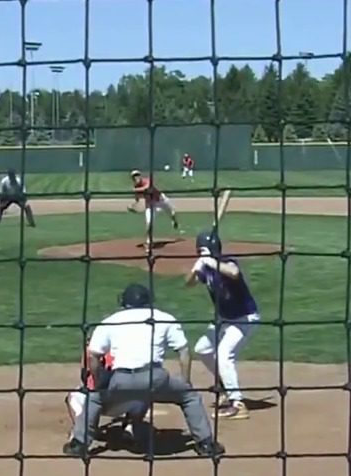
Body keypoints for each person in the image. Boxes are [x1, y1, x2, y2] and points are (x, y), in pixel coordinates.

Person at [63, 283, 224, 459]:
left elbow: (93, 355)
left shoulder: (111, 321)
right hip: (156, 378)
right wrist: (185, 381)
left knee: (94, 399)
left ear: (124, 302)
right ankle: (206, 444)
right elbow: (184, 351)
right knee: (189, 396)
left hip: (121, 379)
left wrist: (99, 381)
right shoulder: (164, 318)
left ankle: (79, 444)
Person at [184, 229, 259, 421]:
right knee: (202, 349)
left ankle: (238, 404)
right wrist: (195, 269)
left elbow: (233, 273)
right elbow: (188, 284)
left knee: (225, 354)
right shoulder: (205, 267)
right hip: (224, 319)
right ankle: (225, 387)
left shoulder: (228, 262)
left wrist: (211, 262)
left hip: (244, 318)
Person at [65, 344, 149, 445]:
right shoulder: (128, 354)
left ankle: (82, 429)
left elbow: (84, 378)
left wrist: (87, 355)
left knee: (73, 396)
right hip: (121, 404)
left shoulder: (92, 354)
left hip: (92, 403)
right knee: (144, 392)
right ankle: (130, 428)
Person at [126, 169, 180, 255]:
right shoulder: (136, 188)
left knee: (172, 213)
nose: (136, 178)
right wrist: (132, 206)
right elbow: (137, 200)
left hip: (161, 200)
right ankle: (148, 242)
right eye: (134, 177)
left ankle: (174, 220)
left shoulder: (146, 180)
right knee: (149, 223)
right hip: (150, 205)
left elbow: (147, 187)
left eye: (137, 175)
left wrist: (136, 190)